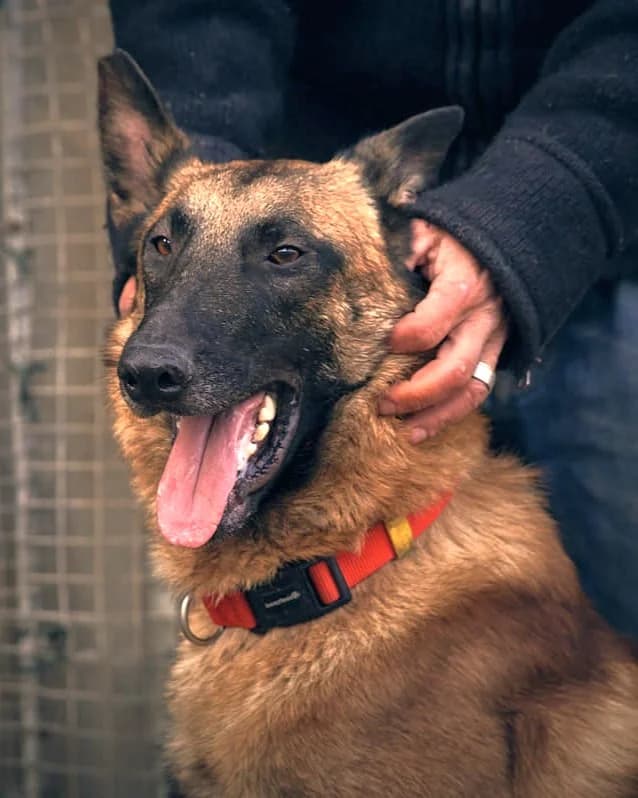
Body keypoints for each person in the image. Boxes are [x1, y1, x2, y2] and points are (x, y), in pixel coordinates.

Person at [106, 0, 638, 636]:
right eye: (165, 244)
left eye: (283, 254)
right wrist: (201, 157)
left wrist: (533, 212)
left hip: (596, 254)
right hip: (324, 179)